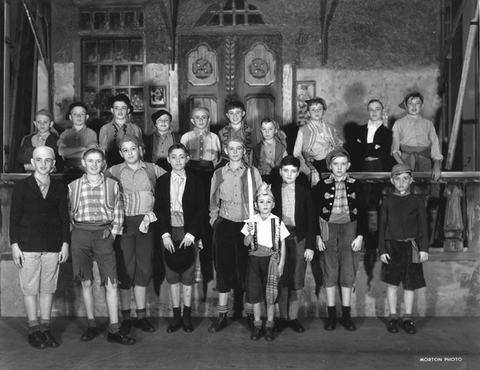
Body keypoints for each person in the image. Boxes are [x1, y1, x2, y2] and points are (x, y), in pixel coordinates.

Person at [68, 148, 135, 345]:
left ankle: (114, 329)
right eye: (90, 161)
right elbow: (68, 213)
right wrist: (75, 233)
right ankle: (91, 325)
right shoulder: (73, 186)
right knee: (86, 282)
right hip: (80, 234)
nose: (94, 165)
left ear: (103, 163)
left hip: (104, 234)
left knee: (112, 283)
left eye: (98, 161)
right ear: (84, 162)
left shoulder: (112, 185)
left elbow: (119, 211)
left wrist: (113, 234)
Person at [105, 135, 166, 336]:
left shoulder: (153, 169)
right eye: (125, 150)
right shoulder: (113, 171)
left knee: (144, 267)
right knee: (125, 270)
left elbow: (171, 187)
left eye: (133, 149)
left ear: (140, 149)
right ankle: (126, 318)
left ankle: (141, 316)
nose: (130, 153)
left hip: (146, 225)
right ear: (121, 153)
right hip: (123, 224)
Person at [10, 146, 70, 349]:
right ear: (32, 163)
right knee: (30, 288)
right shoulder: (22, 187)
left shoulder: (59, 188)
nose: (43, 164)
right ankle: (34, 329)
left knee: (47, 287)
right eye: (39, 160)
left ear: (53, 164)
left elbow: (64, 218)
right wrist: (15, 245)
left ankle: (45, 328)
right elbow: (14, 218)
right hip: (28, 245)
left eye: (47, 161)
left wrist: (65, 243)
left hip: (52, 244)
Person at [208, 137, 262, 333]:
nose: (235, 152)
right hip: (225, 223)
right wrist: (215, 219)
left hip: (247, 224)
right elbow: (213, 199)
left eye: (239, 148)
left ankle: (249, 314)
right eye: (231, 148)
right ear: (225, 150)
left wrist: (256, 224)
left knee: (247, 269)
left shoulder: (252, 172)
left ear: (243, 150)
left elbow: (260, 198)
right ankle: (221, 316)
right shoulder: (219, 173)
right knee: (223, 269)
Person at [312, 148, 366, 332]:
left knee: (348, 269)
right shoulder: (321, 185)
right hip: (328, 228)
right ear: (330, 166)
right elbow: (314, 212)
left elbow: (363, 211)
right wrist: (317, 235)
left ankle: (346, 315)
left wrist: (360, 235)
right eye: (336, 164)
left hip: (350, 227)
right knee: (330, 268)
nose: (340, 167)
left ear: (348, 165)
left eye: (343, 164)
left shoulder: (356, 184)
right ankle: (331, 316)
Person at [154, 143, 206, 333]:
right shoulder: (161, 181)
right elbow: (158, 209)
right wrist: (165, 234)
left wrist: (192, 234)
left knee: (188, 273)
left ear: (187, 159)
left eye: (182, 156)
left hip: (188, 232)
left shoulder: (196, 181)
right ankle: (175, 316)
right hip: (169, 232)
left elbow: (202, 209)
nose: (178, 160)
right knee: (172, 273)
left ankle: (186, 316)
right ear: (168, 159)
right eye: (174, 157)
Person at [378, 164, 429, 334]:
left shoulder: (417, 200)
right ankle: (393, 317)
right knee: (392, 284)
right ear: (392, 181)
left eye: (405, 178)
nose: (401, 182)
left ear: (411, 180)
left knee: (409, 284)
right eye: (397, 179)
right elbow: (382, 227)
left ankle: (407, 317)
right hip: (392, 247)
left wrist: (424, 248)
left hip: (411, 247)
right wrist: (382, 250)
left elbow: (423, 225)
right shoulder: (387, 202)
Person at [271, 156, 318, 334]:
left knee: (297, 276)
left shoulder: (304, 192)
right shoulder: (274, 191)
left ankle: (293, 317)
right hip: (280, 239)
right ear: (280, 172)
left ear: (298, 173)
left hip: (299, 238)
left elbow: (312, 220)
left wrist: (310, 246)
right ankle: (282, 317)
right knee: (282, 277)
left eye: (293, 171)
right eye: (286, 171)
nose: (289, 174)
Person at [180, 107, 221, 300]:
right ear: (192, 119)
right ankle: (196, 236)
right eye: (197, 117)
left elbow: (219, 157)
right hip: (192, 172)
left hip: (209, 173)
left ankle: (208, 239)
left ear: (209, 119)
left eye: (204, 117)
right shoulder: (186, 137)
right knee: (195, 206)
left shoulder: (215, 137)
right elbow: (181, 158)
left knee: (209, 206)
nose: (201, 120)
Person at [242, 183, 288, 341]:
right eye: (261, 201)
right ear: (256, 204)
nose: (265, 205)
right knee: (255, 295)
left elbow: (283, 244)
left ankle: (269, 325)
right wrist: (249, 232)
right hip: (255, 261)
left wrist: (281, 264)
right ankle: (257, 326)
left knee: (271, 296)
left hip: (272, 262)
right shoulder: (251, 221)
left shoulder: (277, 221)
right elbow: (246, 243)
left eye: (268, 202)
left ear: (273, 204)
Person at [391, 91, 443, 181]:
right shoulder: (399, 124)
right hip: (405, 160)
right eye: (410, 103)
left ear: (422, 106)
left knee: (424, 189)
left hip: (425, 161)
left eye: (417, 103)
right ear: (406, 106)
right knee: (407, 188)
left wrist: (437, 166)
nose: (414, 106)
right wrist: (403, 166)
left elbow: (435, 147)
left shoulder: (428, 124)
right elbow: (394, 149)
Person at [293, 97, 343, 179]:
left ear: (324, 111)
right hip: (313, 164)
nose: (316, 112)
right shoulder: (303, 130)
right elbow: (297, 153)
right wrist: (307, 170)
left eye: (319, 109)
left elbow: (338, 145)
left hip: (330, 163)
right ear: (308, 113)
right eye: (313, 109)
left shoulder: (330, 129)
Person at [99, 93, 143, 167]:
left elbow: (140, 151)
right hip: (110, 166)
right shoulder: (105, 128)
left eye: (123, 108)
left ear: (128, 110)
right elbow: (102, 151)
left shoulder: (135, 128)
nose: (120, 111)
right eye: (116, 108)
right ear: (112, 110)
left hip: (130, 166)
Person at [352, 99, 393, 172]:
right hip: (362, 166)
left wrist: (365, 147)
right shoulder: (359, 130)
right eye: (371, 110)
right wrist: (374, 146)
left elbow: (384, 153)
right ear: (368, 111)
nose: (374, 112)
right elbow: (356, 152)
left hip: (380, 166)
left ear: (382, 111)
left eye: (377, 109)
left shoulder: (387, 132)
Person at [57, 102, 99, 173]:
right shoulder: (65, 134)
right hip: (68, 169)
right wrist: (82, 148)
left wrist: (68, 155)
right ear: (70, 117)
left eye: (82, 114)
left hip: (86, 169)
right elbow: (61, 152)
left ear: (86, 117)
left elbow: (90, 152)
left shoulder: (91, 133)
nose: (78, 116)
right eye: (75, 114)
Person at [251, 117, 287, 184]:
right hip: (260, 181)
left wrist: (273, 165)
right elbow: (252, 168)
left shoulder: (282, 148)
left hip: (278, 181)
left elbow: (286, 167)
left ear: (275, 130)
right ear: (261, 130)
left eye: (270, 129)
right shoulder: (256, 149)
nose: (267, 132)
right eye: (264, 129)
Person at [218, 101, 253, 166]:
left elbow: (255, 151)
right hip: (227, 165)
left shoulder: (251, 131)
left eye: (238, 113)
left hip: (247, 165)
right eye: (231, 113)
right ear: (227, 115)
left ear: (243, 113)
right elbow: (219, 154)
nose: (235, 116)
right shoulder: (221, 132)